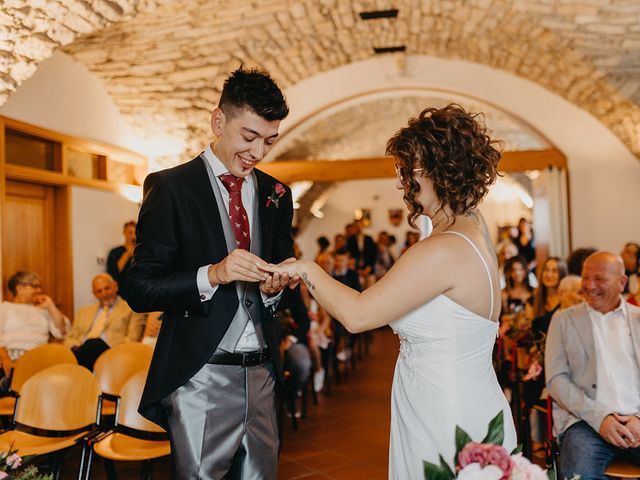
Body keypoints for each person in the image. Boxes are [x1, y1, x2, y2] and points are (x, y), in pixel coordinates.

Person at [261, 104, 517, 477]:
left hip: (446, 414)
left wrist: (305, 267)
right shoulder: (472, 230)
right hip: (463, 397)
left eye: (407, 171)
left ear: (438, 170)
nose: (401, 183)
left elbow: (358, 314)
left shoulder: (443, 249)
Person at [126, 67, 294, 479]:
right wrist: (213, 274)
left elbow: (282, 267)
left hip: (263, 374)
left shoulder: (278, 194)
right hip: (200, 374)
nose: (258, 153)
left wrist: (277, 287)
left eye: (269, 141)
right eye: (249, 137)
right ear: (218, 121)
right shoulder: (171, 188)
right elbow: (140, 287)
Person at [546, 252, 640, 479]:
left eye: (599, 279)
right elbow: (556, 380)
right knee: (580, 472)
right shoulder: (563, 320)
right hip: (585, 423)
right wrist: (600, 418)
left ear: (622, 282)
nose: (589, 285)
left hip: (637, 419)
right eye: (585, 278)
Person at [65, 273, 145, 370]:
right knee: (87, 346)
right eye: (99, 291)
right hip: (83, 348)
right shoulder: (84, 312)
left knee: (94, 343)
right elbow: (70, 337)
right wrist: (75, 347)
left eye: (107, 288)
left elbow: (133, 339)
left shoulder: (132, 309)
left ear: (115, 286)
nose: (104, 294)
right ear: (94, 294)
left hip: (111, 351)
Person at [0, 271, 68, 373]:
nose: (39, 290)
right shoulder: (4, 308)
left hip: (40, 358)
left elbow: (62, 332)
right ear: (20, 288)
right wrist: (6, 360)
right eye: (34, 286)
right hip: (13, 357)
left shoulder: (43, 310)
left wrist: (50, 306)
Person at [106, 220, 137, 300]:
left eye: (135, 233)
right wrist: (127, 254)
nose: (133, 236)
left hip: (137, 292)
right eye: (130, 233)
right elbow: (112, 274)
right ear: (124, 232)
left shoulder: (141, 252)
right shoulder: (115, 252)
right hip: (120, 295)